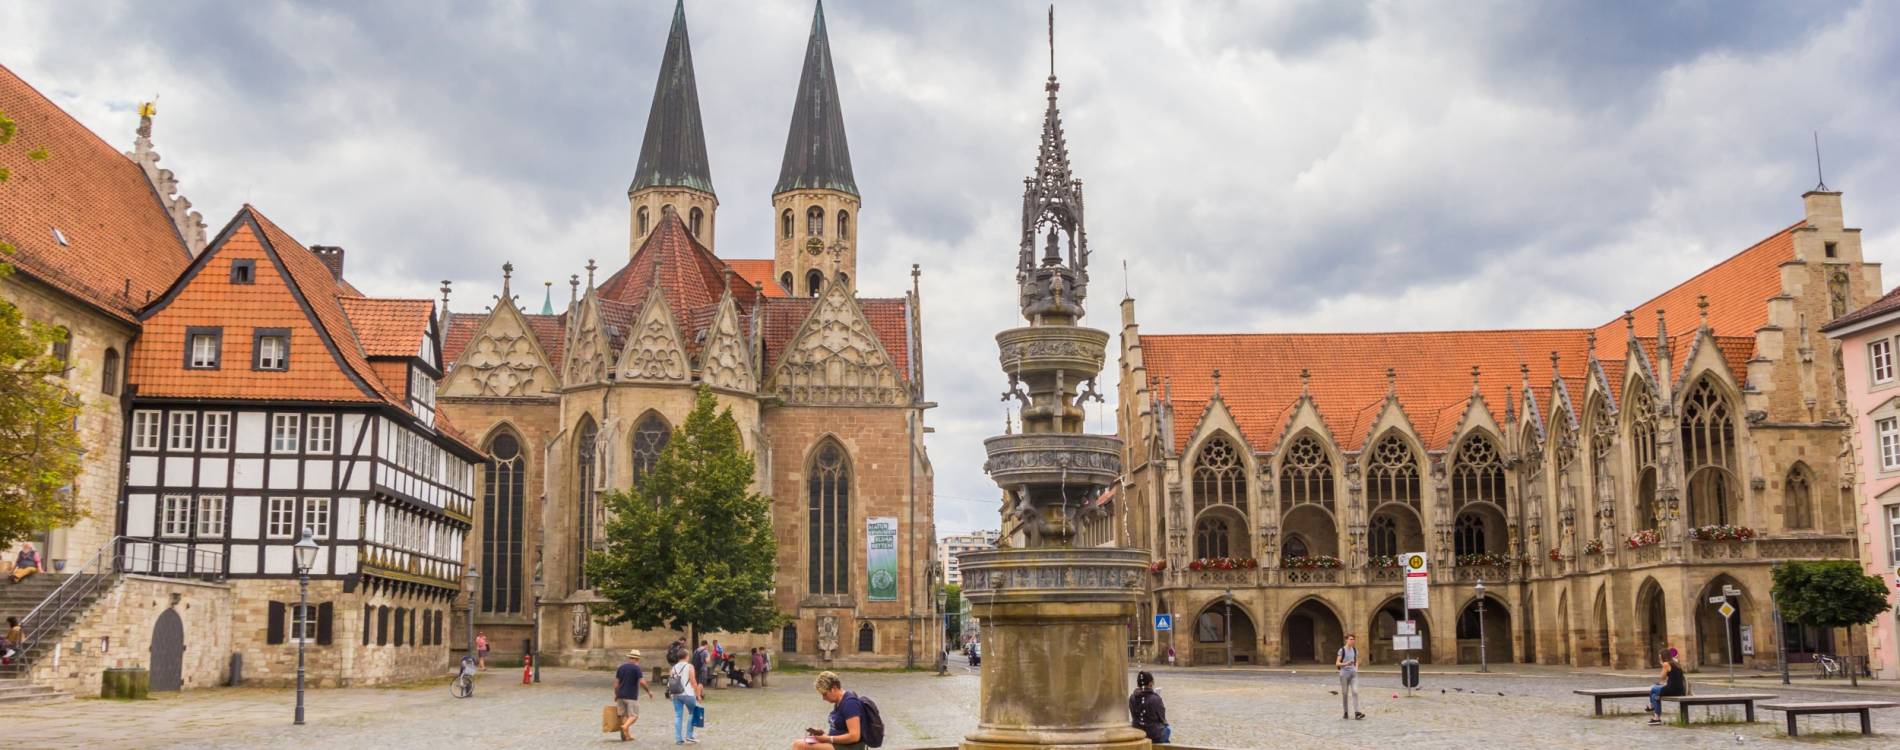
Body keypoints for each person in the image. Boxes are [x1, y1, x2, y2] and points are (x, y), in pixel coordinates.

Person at [792, 671, 865, 750]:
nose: (823, 698)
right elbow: (840, 729)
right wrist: (823, 735)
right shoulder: (839, 702)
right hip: (838, 744)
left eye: (825, 694)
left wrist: (828, 738)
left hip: (851, 747)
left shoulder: (850, 703)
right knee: (799, 742)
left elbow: (854, 736)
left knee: (799, 745)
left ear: (833, 689)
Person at [615, 649, 655, 741]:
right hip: (631, 696)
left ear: (629, 658)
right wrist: (648, 691)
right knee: (634, 716)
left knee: (624, 716)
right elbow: (642, 682)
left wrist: (616, 694)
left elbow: (616, 683)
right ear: (638, 659)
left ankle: (627, 736)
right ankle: (624, 727)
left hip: (620, 695)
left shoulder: (621, 668)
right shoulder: (637, 668)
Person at [668, 648, 705, 744]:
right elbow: (693, 681)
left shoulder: (673, 667)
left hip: (676, 694)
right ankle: (689, 735)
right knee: (693, 713)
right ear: (687, 656)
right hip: (688, 693)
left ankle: (678, 739)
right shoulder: (689, 666)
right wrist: (698, 695)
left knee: (678, 716)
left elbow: (670, 682)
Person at [1647, 650, 1688, 725]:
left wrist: (1662, 665)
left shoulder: (1666, 664)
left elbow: (1662, 677)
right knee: (1654, 695)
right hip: (1679, 690)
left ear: (1664, 657)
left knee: (1653, 688)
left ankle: (1651, 706)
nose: (1660, 660)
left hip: (1672, 689)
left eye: (1660, 658)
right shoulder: (1676, 664)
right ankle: (1656, 718)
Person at [1128, 670, 1170, 743]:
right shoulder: (1155, 698)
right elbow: (1162, 718)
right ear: (1150, 683)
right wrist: (1159, 700)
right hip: (1153, 735)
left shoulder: (1132, 697)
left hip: (1137, 731)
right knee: (1168, 728)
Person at [1336, 633, 1363, 720]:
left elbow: (1356, 660)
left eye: (1353, 639)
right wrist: (1345, 664)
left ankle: (1357, 713)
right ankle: (1346, 712)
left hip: (1353, 674)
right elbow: (1337, 663)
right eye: (1350, 639)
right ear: (1346, 640)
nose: (1352, 641)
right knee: (1345, 694)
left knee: (1355, 692)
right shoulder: (1342, 650)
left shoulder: (1354, 650)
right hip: (1344, 674)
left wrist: (1356, 668)